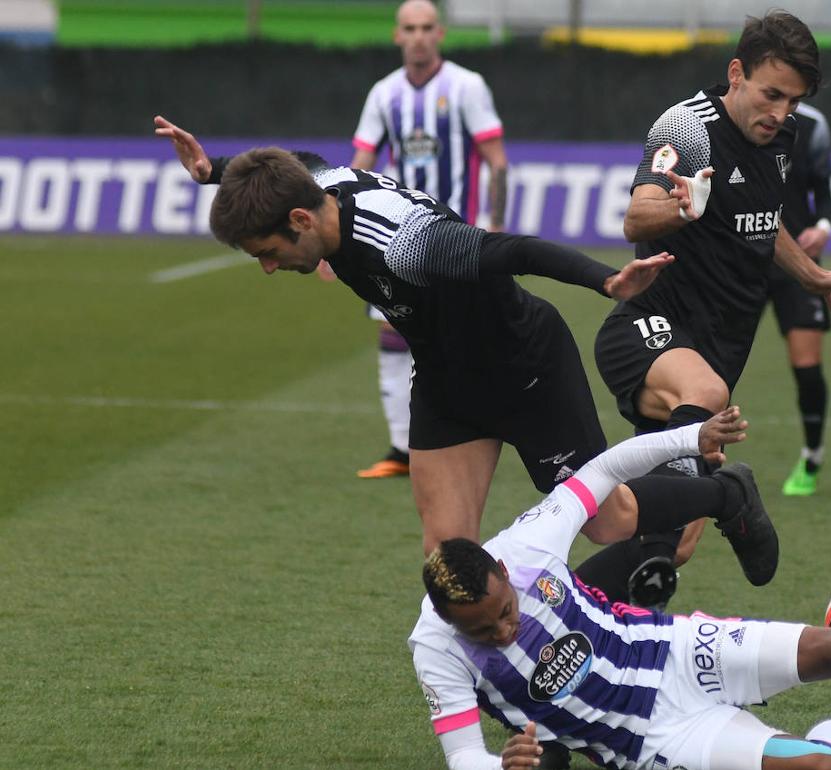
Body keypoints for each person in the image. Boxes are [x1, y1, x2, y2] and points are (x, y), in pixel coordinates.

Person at [413, 412, 831, 770]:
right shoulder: (435, 648)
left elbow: (608, 466)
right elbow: (462, 754)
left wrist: (692, 435)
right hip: (654, 740)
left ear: (503, 574)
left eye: (503, 613)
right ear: (450, 623)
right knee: (821, 765)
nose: (501, 630)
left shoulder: (528, 546)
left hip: (681, 650)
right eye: (481, 631)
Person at [152, 118, 682, 561]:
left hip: (524, 367)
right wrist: (212, 171)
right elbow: (295, 159)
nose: (268, 267)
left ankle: (721, 492)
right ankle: (480, 676)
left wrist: (605, 280)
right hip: (444, 380)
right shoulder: (316, 182)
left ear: (299, 219)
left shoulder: (406, 243)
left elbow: (510, 250)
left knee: (608, 524)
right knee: (447, 555)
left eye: (266, 251)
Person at [584, 11, 831, 606]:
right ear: (736, 73)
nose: (780, 113)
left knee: (667, 537)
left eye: (793, 103)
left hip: (719, 348)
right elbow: (637, 217)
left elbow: (761, 225)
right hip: (649, 328)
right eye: (771, 95)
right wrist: (686, 207)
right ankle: (729, 496)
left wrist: (812, 275)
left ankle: (583, 611)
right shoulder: (688, 128)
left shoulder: (783, 139)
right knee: (708, 395)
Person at [346, 0, 511, 479]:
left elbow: (495, 159)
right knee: (394, 331)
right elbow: (361, 163)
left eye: (426, 28)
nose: (418, 36)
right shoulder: (384, 94)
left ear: (439, 33)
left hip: (456, 234)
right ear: (397, 36)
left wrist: (493, 226)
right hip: (393, 235)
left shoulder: (466, 86)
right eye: (409, 29)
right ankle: (401, 448)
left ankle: (483, 432)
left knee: (467, 331)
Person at [768, 102, 831, 497]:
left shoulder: (813, 124)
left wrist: (824, 225)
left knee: (807, 365)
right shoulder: (726, 113)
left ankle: (812, 455)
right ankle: (699, 456)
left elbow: (823, 187)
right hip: (741, 259)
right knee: (715, 363)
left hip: (798, 260)